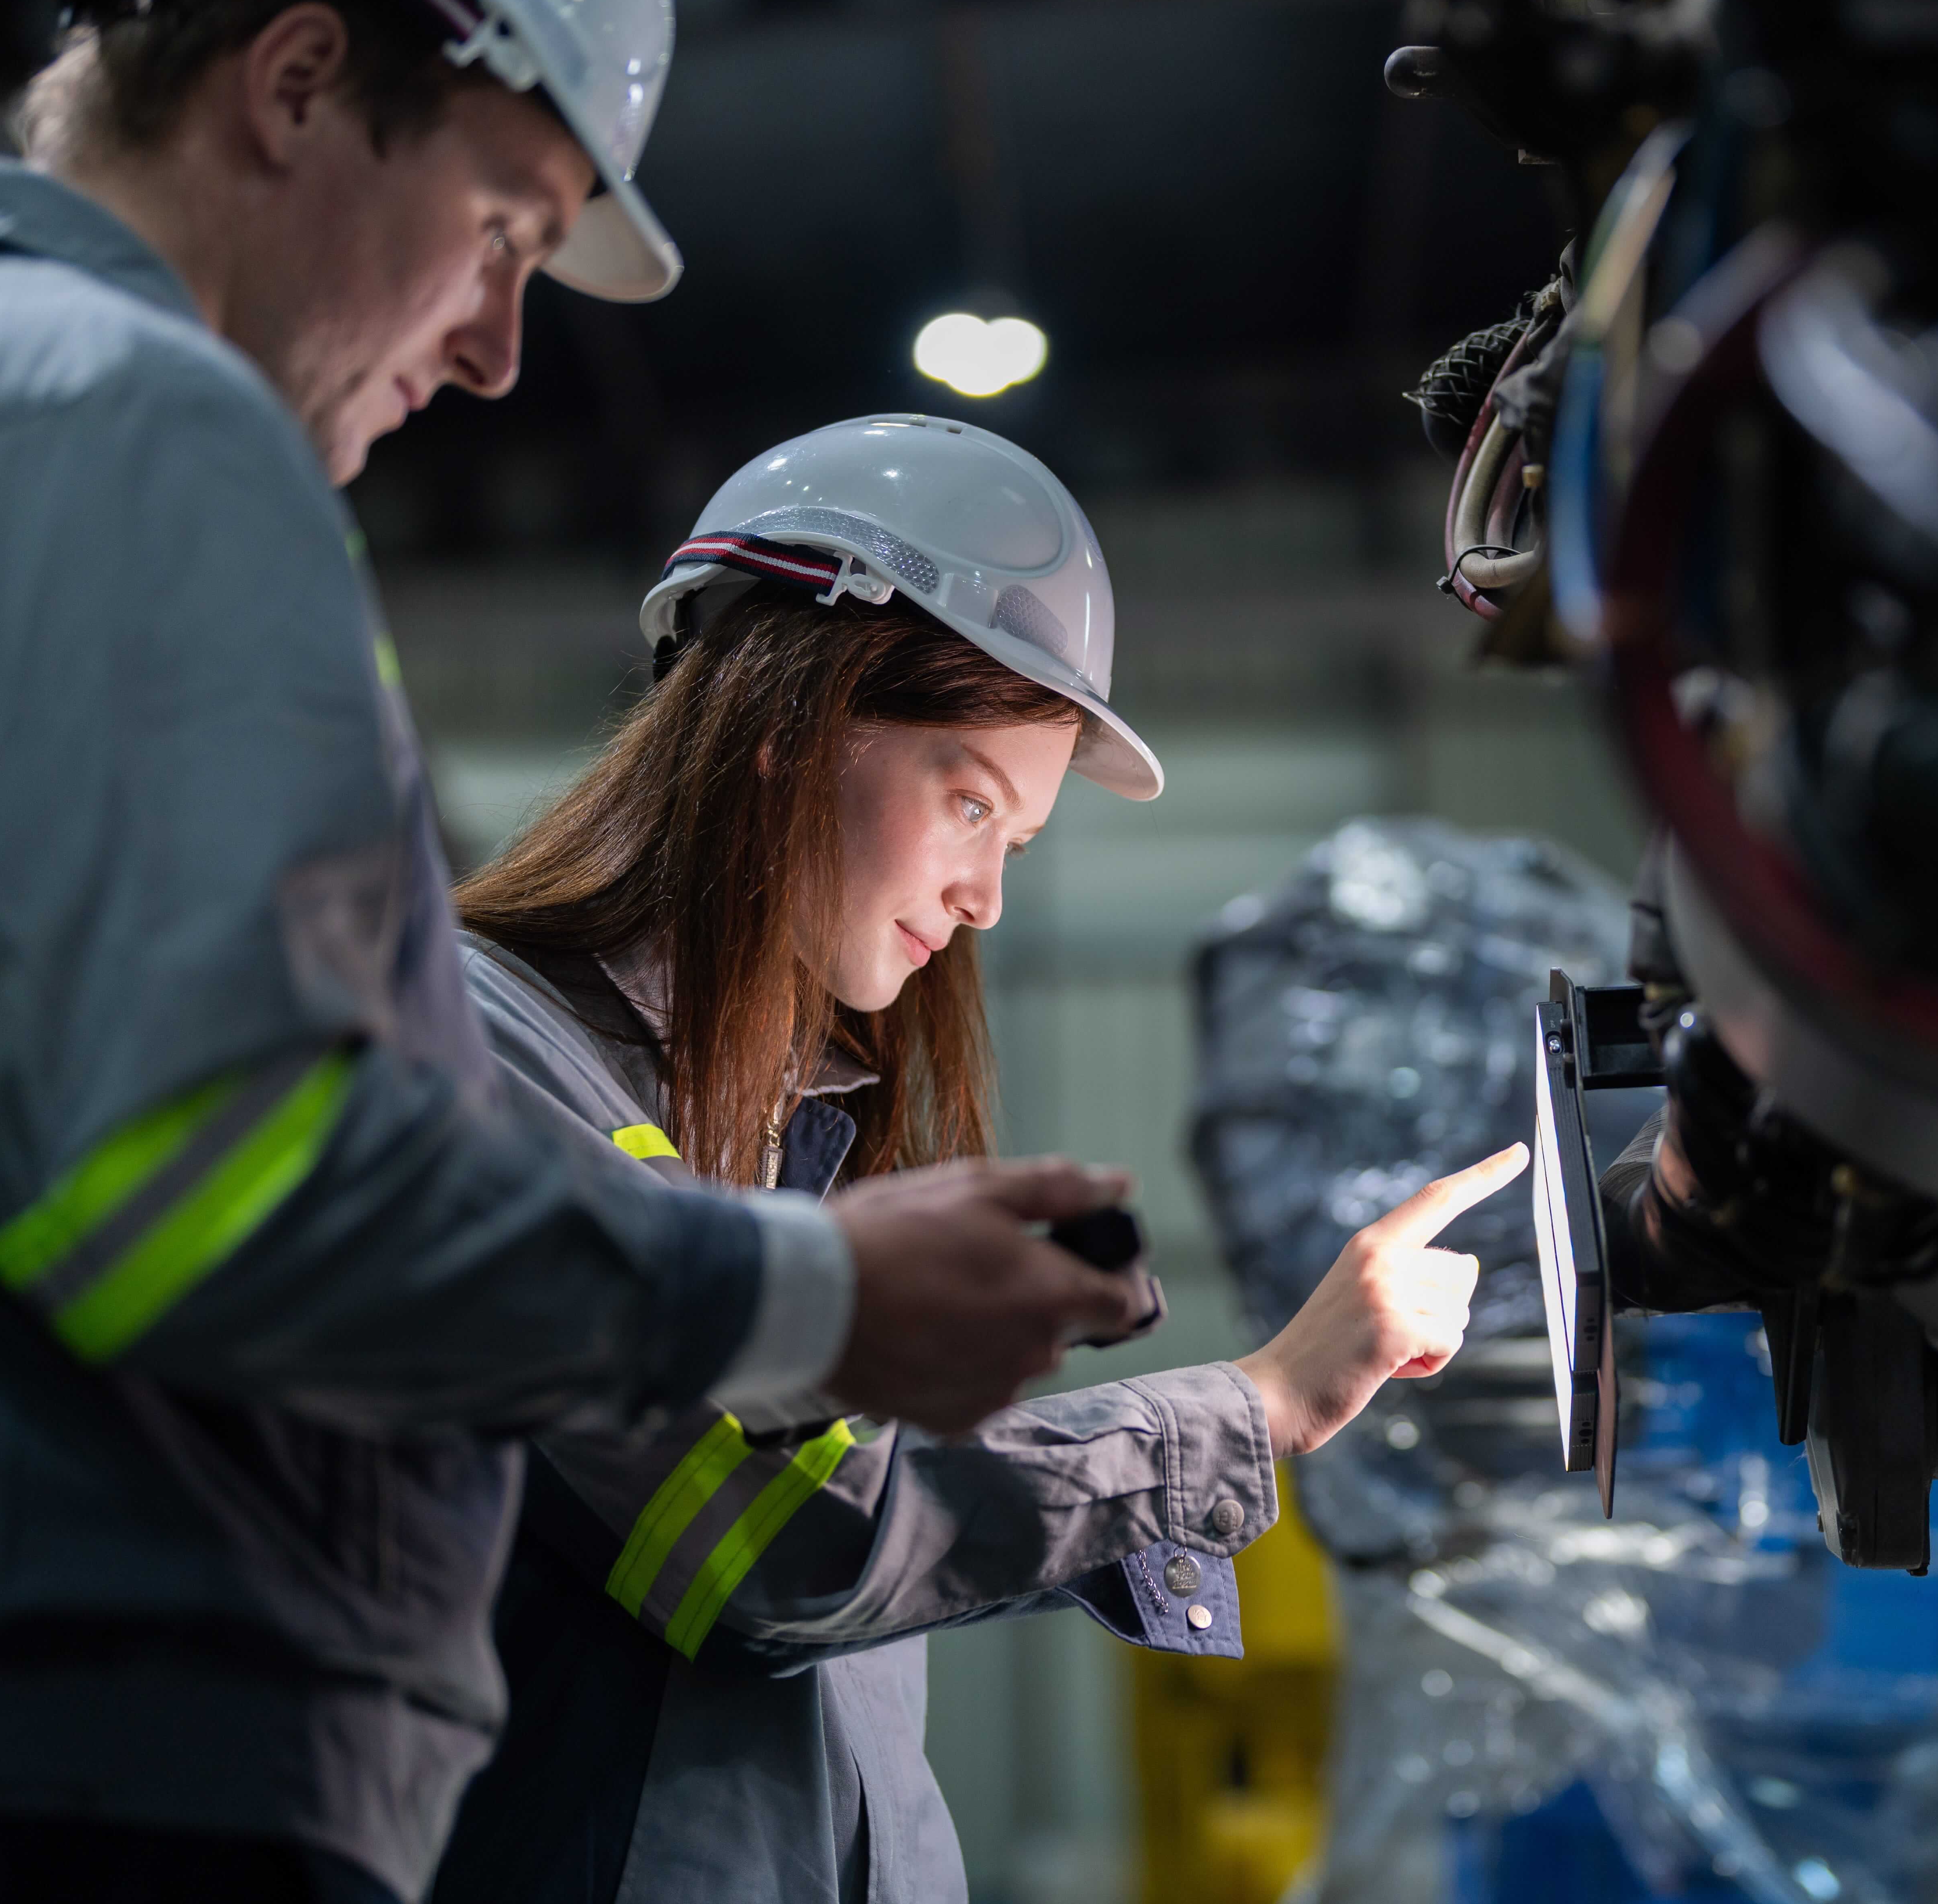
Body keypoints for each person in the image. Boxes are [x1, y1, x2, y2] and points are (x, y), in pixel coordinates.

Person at [0, 0, 1142, 1902]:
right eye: (505, 224)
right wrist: (800, 1290)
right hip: (52, 1781)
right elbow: (206, 1168)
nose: (504, 347)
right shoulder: (118, 420)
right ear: (302, 82)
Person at [423, 417, 1523, 1904]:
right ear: (788, 724)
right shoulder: (481, 1052)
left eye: (1016, 835)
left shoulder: (789, 1137)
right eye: (970, 803)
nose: (989, 897)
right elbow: (786, 1539)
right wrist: (1259, 1405)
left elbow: (880, 1541)